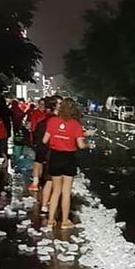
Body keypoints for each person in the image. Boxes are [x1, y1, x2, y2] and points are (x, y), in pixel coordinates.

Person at [42, 97, 86, 230]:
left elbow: (45, 140)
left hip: (55, 156)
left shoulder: (52, 121)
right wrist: (86, 144)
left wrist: (57, 138)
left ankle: (50, 220)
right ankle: (65, 221)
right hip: (69, 158)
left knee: (56, 191)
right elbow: (80, 144)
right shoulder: (76, 125)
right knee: (66, 191)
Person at [28, 98, 48, 192]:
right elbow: (33, 127)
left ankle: (41, 178)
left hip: (47, 140)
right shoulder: (35, 113)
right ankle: (37, 180)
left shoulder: (47, 115)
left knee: (43, 160)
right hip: (38, 139)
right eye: (41, 104)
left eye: (44, 104)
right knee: (38, 160)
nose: (42, 106)